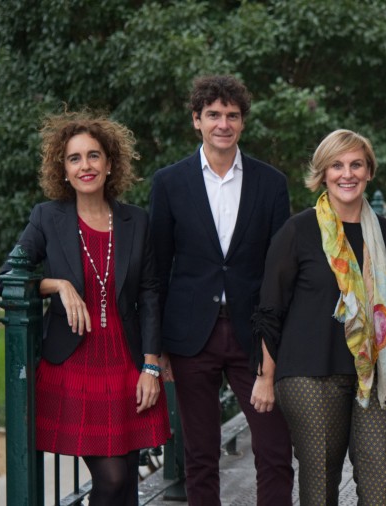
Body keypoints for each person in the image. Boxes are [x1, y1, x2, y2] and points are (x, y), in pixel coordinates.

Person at [0, 112, 170, 505]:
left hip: (127, 364)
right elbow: (9, 274)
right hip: (74, 366)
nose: (85, 166)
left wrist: (150, 364)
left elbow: (149, 294)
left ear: (110, 164)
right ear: (63, 169)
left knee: (126, 477)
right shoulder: (46, 218)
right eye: (74, 158)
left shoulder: (136, 222)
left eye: (94, 156)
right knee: (110, 478)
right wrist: (57, 285)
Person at [149, 75, 293, 505]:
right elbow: (156, 270)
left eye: (232, 115)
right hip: (192, 337)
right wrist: (155, 352)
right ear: (197, 120)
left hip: (254, 336)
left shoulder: (271, 183)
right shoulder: (170, 183)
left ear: (243, 123)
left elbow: (279, 272)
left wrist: (274, 344)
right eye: (213, 115)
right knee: (200, 455)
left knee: (273, 451)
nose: (223, 124)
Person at [251, 129, 386, 505]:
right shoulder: (298, 230)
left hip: (380, 375)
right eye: (336, 165)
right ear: (323, 173)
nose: (347, 173)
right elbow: (269, 309)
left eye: (357, 164)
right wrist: (265, 376)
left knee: (381, 485)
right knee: (320, 485)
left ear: (369, 171)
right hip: (311, 373)